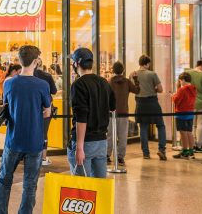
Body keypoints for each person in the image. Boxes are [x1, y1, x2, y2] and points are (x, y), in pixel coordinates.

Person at [0, 45, 51, 213]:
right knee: (30, 184)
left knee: (4, 180)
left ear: (19, 60)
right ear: (35, 62)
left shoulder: (8, 83)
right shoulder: (42, 85)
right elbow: (47, 112)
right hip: (34, 141)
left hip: (13, 140)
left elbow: (6, 106)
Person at [67, 48, 116, 178]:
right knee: (99, 186)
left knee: (81, 189)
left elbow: (81, 118)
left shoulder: (78, 85)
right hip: (101, 142)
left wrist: (79, 147)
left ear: (76, 64)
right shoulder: (104, 82)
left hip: (85, 142)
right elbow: (113, 107)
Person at [132, 55, 167, 160]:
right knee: (160, 125)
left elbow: (134, 89)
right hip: (152, 102)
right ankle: (161, 149)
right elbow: (160, 89)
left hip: (140, 103)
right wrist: (154, 89)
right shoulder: (152, 74)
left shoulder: (133, 74)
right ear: (147, 64)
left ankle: (146, 153)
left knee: (143, 127)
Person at [107, 61, 140, 166]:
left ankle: (107, 156)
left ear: (113, 70)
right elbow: (137, 90)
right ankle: (120, 158)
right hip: (124, 112)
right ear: (123, 70)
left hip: (111, 113)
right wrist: (135, 79)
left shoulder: (109, 82)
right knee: (122, 136)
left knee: (110, 135)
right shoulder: (126, 82)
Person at [34, 58, 58, 166]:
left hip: (33, 107)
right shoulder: (47, 76)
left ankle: (32, 156)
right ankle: (43, 157)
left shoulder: (28, 75)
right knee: (44, 133)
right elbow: (54, 91)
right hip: (45, 107)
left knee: (32, 131)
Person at [172, 72, 197, 159]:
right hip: (190, 112)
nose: (180, 82)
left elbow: (176, 100)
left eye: (180, 80)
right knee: (189, 132)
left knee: (183, 132)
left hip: (181, 113)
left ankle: (185, 151)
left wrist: (173, 96)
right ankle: (191, 151)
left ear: (183, 80)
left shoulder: (182, 90)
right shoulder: (193, 88)